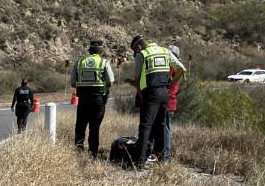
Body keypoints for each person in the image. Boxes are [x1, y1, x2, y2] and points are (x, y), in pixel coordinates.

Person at [126, 35, 185, 169]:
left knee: (145, 127)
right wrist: (170, 84)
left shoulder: (143, 54)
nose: (135, 54)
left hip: (151, 94)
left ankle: (140, 162)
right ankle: (162, 159)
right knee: (161, 125)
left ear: (139, 47)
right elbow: (181, 69)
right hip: (164, 94)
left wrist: (140, 93)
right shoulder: (165, 51)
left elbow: (138, 78)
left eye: (135, 51)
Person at [71, 39, 115, 159]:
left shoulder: (79, 63)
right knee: (94, 128)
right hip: (98, 99)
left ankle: (78, 152)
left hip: (83, 100)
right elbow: (110, 81)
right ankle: (92, 154)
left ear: (89, 51)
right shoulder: (103, 62)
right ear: (101, 51)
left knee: (80, 126)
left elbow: (73, 83)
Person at [162, 45, 184, 161]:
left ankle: (165, 156)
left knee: (165, 129)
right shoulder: (176, 67)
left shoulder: (172, 68)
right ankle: (163, 154)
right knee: (165, 128)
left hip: (168, 101)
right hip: (170, 102)